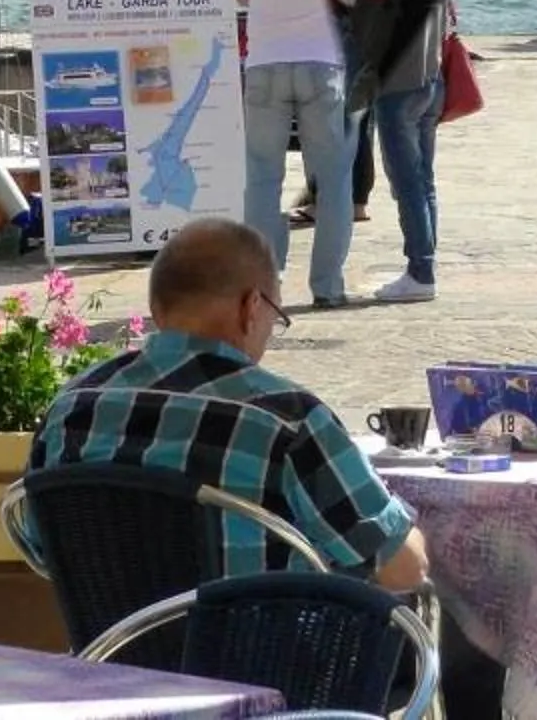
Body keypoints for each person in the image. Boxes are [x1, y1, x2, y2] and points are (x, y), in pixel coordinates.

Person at [25, 218, 427, 589]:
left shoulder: (71, 407)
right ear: (252, 307)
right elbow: (402, 568)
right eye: (276, 314)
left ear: (156, 308)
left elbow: (38, 541)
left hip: (114, 656)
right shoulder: (289, 423)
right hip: (259, 661)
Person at [227, 0, 356, 307]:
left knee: (262, 177)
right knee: (334, 177)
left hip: (264, 61)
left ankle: (265, 284)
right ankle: (328, 286)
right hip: (322, 60)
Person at [352, 0, 460, 304]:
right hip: (433, 68)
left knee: (407, 181)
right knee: (425, 177)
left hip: (399, 74)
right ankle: (426, 264)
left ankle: (420, 273)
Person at [292, 0, 376, 229]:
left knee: (348, 110)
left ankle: (342, 197)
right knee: (341, 108)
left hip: (369, 20)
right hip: (335, 17)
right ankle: (342, 195)